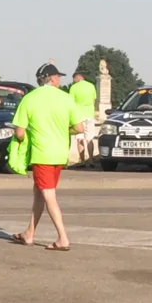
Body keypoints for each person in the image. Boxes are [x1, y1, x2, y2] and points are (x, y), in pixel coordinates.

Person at [13, 63, 82, 250]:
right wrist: (63, 130)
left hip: (41, 153)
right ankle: (30, 233)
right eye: (58, 77)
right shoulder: (66, 98)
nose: (60, 80)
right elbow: (79, 128)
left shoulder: (29, 99)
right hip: (59, 154)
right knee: (40, 193)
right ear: (51, 79)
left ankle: (63, 238)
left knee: (49, 196)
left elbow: (19, 132)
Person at [68, 65, 100, 165]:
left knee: (79, 138)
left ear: (77, 78)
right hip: (90, 115)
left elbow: (71, 103)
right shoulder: (91, 86)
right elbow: (94, 101)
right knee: (90, 139)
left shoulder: (73, 87)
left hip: (78, 116)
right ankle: (91, 160)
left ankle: (82, 160)